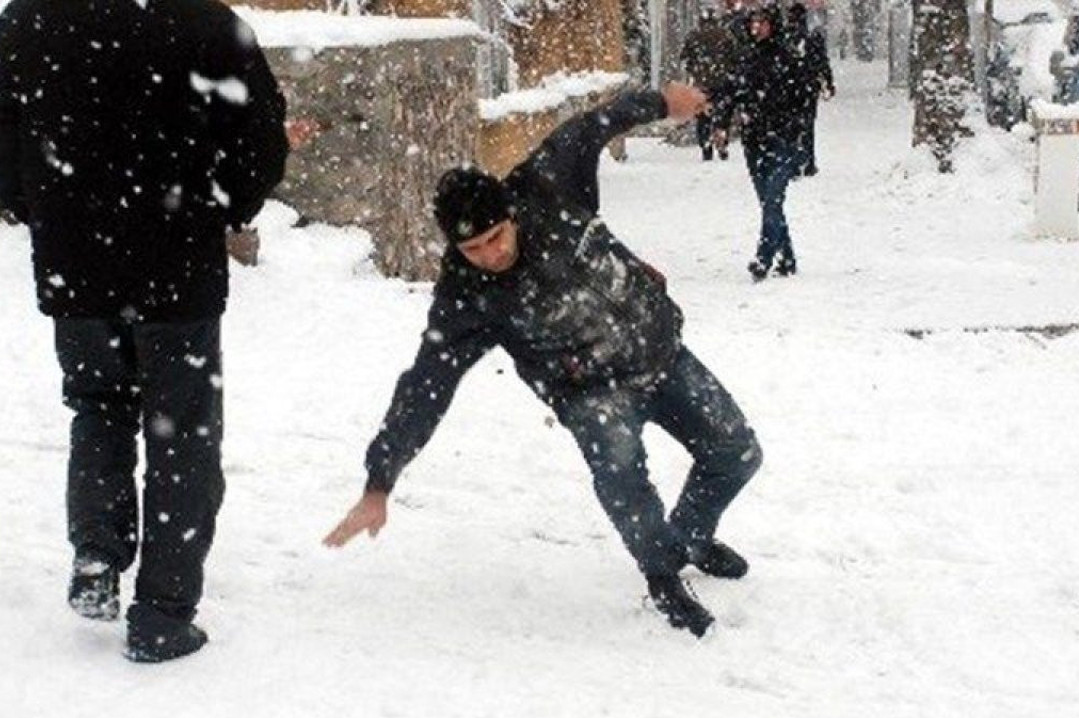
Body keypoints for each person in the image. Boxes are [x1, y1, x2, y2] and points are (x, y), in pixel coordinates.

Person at [323, 84, 764, 638]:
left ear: (510, 214)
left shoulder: (549, 181)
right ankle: (663, 575)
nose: (490, 255)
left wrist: (661, 104)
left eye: (494, 237)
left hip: (659, 350)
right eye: (472, 250)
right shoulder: (467, 298)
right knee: (624, 478)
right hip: (588, 390)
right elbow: (425, 386)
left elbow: (596, 122)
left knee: (737, 454)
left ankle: (692, 538)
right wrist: (380, 479)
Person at [0, 0, 289, 663]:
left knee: (98, 406)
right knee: (183, 430)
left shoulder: (31, 19)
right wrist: (225, 206)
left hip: (76, 260)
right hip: (178, 263)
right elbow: (261, 140)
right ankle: (164, 612)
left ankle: (97, 555)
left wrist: (43, 207)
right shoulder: (207, 24)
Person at [711, 4, 816, 281]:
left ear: (773, 25)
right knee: (768, 201)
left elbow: (803, 98)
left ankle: (764, 257)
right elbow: (729, 93)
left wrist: (797, 133)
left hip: (782, 139)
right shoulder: (746, 58)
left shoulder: (789, 58)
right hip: (754, 139)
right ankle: (788, 257)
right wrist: (721, 124)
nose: (757, 27)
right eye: (754, 22)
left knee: (772, 199)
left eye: (762, 22)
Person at [680, 7, 741, 161]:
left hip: (701, 83)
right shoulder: (725, 35)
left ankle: (705, 143)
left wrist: (694, 71)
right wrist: (728, 71)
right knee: (722, 114)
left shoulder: (693, 36)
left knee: (703, 115)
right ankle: (721, 140)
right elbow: (735, 57)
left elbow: (685, 57)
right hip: (722, 81)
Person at [787, 2, 835, 176]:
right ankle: (808, 161)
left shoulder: (783, 39)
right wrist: (828, 82)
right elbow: (822, 62)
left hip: (788, 88)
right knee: (807, 125)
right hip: (808, 87)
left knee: (790, 126)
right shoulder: (814, 38)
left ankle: (792, 163)